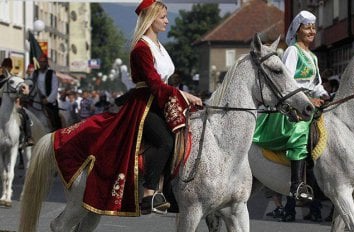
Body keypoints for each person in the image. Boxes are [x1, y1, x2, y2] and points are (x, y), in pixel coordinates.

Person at [52, 0, 202, 217]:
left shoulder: (159, 46)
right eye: (163, 17)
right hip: (144, 103)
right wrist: (184, 95)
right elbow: (154, 83)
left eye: (166, 16)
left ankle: (169, 191)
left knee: (185, 136)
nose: (167, 21)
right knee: (165, 141)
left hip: (161, 99)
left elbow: (164, 83)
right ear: (150, 19)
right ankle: (149, 194)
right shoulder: (141, 47)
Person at [253, 10, 328, 222]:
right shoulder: (292, 52)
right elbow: (286, 83)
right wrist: (306, 98)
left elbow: (317, 83)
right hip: (292, 109)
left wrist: (323, 95)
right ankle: (297, 185)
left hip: (310, 105)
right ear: (297, 30)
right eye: (307, 27)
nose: (312, 31)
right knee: (300, 132)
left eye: (314, 27)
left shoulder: (312, 56)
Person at [0, 58, 34, 146]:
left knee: (24, 114)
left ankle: (28, 137)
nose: (6, 69)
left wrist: (19, 100)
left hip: (13, 104)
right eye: (4, 67)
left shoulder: (14, 79)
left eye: (8, 67)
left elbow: (19, 91)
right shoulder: (0, 78)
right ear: (2, 67)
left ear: (11, 68)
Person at [28, 55, 62, 131]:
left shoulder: (52, 74)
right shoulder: (34, 73)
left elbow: (54, 90)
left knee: (55, 119)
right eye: (40, 62)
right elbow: (30, 84)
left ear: (47, 63)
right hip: (35, 101)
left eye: (44, 62)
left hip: (48, 102)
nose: (42, 64)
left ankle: (57, 135)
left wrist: (48, 99)